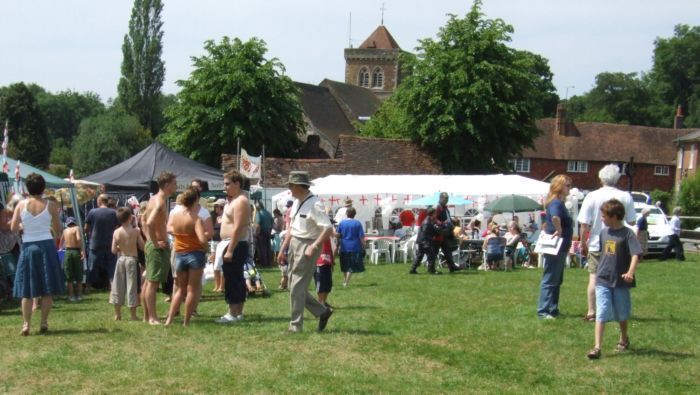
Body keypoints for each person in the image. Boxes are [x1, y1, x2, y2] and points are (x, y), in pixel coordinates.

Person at [577, 164, 636, 322]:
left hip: (596, 243)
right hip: (619, 244)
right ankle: (617, 311)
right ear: (617, 179)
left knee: (594, 278)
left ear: (601, 178)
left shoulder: (591, 196)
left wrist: (583, 243)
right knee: (618, 279)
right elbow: (632, 220)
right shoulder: (625, 196)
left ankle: (591, 311)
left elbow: (584, 224)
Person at [277, 171, 334, 333]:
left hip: (307, 244)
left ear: (298, 186)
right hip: (295, 242)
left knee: (296, 286)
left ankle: (295, 325)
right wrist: (283, 249)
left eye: (290, 185)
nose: (289, 189)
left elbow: (328, 228)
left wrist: (314, 246)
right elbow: (292, 229)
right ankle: (323, 312)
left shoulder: (315, 204)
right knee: (292, 285)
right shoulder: (296, 202)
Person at [586, 199, 641, 359]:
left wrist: (630, 272)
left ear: (615, 216)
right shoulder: (604, 233)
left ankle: (624, 338)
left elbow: (635, 254)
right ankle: (597, 347)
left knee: (621, 313)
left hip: (621, 281)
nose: (601, 218)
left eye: (604, 215)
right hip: (603, 278)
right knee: (601, 311)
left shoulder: (628, 234)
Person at [12, 173, 64, 336]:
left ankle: (26, 324)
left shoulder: (21, 205)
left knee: (26, 288)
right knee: (47, 287)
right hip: (46, 245)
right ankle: (43, 322)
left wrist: (24, 225)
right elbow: (58, 229)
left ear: (28, 188)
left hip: (28, 246)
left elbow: (14, 228)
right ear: (43, 188)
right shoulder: (51, 205)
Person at [165, 187, 208, 326]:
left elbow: (170, 229)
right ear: (195, 200)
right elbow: (202, 239)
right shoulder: (197, 219)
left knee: (179, 289)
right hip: (194, 254)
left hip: (179, 254)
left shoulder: (176, 217)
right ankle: (186, 321)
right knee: (192, 289)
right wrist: (207, 249)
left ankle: (169, 319)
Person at [214, 170, 251, 324]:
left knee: (232, 279)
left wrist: (230, 249)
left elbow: (238, 227)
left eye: (228, 184)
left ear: (237, 183)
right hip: (231, 243)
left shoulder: (241, 201)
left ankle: (233, 313)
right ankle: (238, 312)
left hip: (235, 244)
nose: (225, 187)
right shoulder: (235, 200)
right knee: (236, 278)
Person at [537, 175, 573, 319]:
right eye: (567, 185)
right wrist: (559, 229)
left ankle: (552, 308)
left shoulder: (555, 202)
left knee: (556, 279)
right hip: (556, 246)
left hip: (559, 246)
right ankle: (544, 311)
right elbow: (555, 218)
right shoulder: (556, 203)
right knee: (551, 278)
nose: (569, 188)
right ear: (559, 187)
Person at [143, 171, 178, 325]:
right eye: (174, 183)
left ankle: (147, 316)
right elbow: (149, 222)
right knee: (153, 282)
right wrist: (155, 243)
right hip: (157, 246)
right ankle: (152, 317)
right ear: (167, 184)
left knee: (149, 281)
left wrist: (148, 240)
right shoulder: (159, 202)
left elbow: (142, 219)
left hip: (152, 244)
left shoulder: (153, 199)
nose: (176, 186)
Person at [111, 207, 144, 321]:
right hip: (132, 259)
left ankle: (117, 314)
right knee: (132, 287)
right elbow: (142, 246)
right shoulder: (135, 231)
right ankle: (133, 315)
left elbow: (114, 250)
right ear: (130, 217)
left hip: (121, 259)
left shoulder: (116, 232)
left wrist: (120, 246)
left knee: (118, 286)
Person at [84, 194, 119, 290]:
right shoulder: (114, 213)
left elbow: (86, 228)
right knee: (111, 266)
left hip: (95, 243)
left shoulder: (92, 212)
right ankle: (112, 286)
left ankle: (88, 287)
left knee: (92, 266)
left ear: (99, 201)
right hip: (110, 243)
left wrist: (90, 233)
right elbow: (117, 228)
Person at [335, 207, 365, 286]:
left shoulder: (342, 223)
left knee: (345, 264)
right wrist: (363, 245)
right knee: (351, 265)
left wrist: (337, 245)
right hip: (355, 246)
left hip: (344, 246)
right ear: (354, 214)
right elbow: (361, 237)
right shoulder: (357, 223)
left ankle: (345, 280)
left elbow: (338, 235)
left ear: (346, 214)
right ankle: (346, 281)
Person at [434, 192, 460, 273]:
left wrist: (452, 221)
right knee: (435, 251)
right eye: (446, 198)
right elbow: (434, 219)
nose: (447, 200)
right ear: (441, 198)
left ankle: (452, 267)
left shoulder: (445, 208)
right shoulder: (438, 207)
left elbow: (447, 218)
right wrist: (442, 223)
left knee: (447, 250)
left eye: (447, 198)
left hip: (445, 232)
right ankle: (431, 268)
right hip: (440, 232)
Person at [60, 217, 84, 302]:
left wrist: (60, 249)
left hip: (68, 251)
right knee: (78, 273)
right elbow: (78, 238)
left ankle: (70, 295)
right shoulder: (76, 228)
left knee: (68, 274)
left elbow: (61, 242)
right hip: (75, 251)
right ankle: (79, 295)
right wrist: (82, 250)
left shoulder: (65, 230)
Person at [409, 207, 439, 274]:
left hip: (422, 241)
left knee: (420, 255)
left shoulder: (428, 220)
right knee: (431, 255)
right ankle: (432, 270)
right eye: (435, 213)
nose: (436, 214)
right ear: (432, 214)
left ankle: (413, 269)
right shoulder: (427, 222)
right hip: (425, 241)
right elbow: (425, 232)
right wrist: (429, 239)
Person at [0, 201, 20, 288]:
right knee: (12, 271)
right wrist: (18, 222)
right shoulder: (3, 210)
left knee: (14, 269)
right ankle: (16, 290)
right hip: (4, 245)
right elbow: (3, 226)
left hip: (12, 244)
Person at [210, 198, 226, 292]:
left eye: (217, 206)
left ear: (221, 207)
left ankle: (222, 286)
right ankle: (217, 285)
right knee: (214, 265)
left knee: (221, 265)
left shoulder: (225, 217)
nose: (215, 208)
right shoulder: (216, 218)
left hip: (222, 242)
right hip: (214, 242)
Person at [314, 238, 334, 307]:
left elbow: (330, 249)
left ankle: (324, 302)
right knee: (321, 285)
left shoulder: (327, 237)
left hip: (327, 262)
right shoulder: (316, 234)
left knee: (328, 284)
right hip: (319, 263)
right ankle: (320, 303)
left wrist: (332, 261)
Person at [254, 201, 274, 267]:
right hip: (268, 231)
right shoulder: (268, 213)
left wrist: (256, 233)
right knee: (268, 247)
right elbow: (272, 223)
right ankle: (269, 262)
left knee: (262, 248)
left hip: (261, 232)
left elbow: (258, 224)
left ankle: (264, 263)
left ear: (258, 206)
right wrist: (270, 230)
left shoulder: (259, 213)